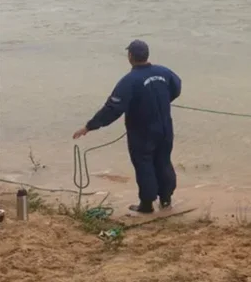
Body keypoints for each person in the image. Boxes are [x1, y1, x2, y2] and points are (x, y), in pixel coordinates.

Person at [73, 40, 182, 214]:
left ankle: (146, 205)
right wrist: (161, 100)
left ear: (130, 56)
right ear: (147, 55)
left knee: (144, 164)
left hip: (142, 131)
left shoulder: (129, 81)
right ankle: (166, 200)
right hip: (165, 129)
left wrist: (89, 126)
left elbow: (113, 109)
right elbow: (176, 88)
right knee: (163, 161)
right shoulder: (164, 72)